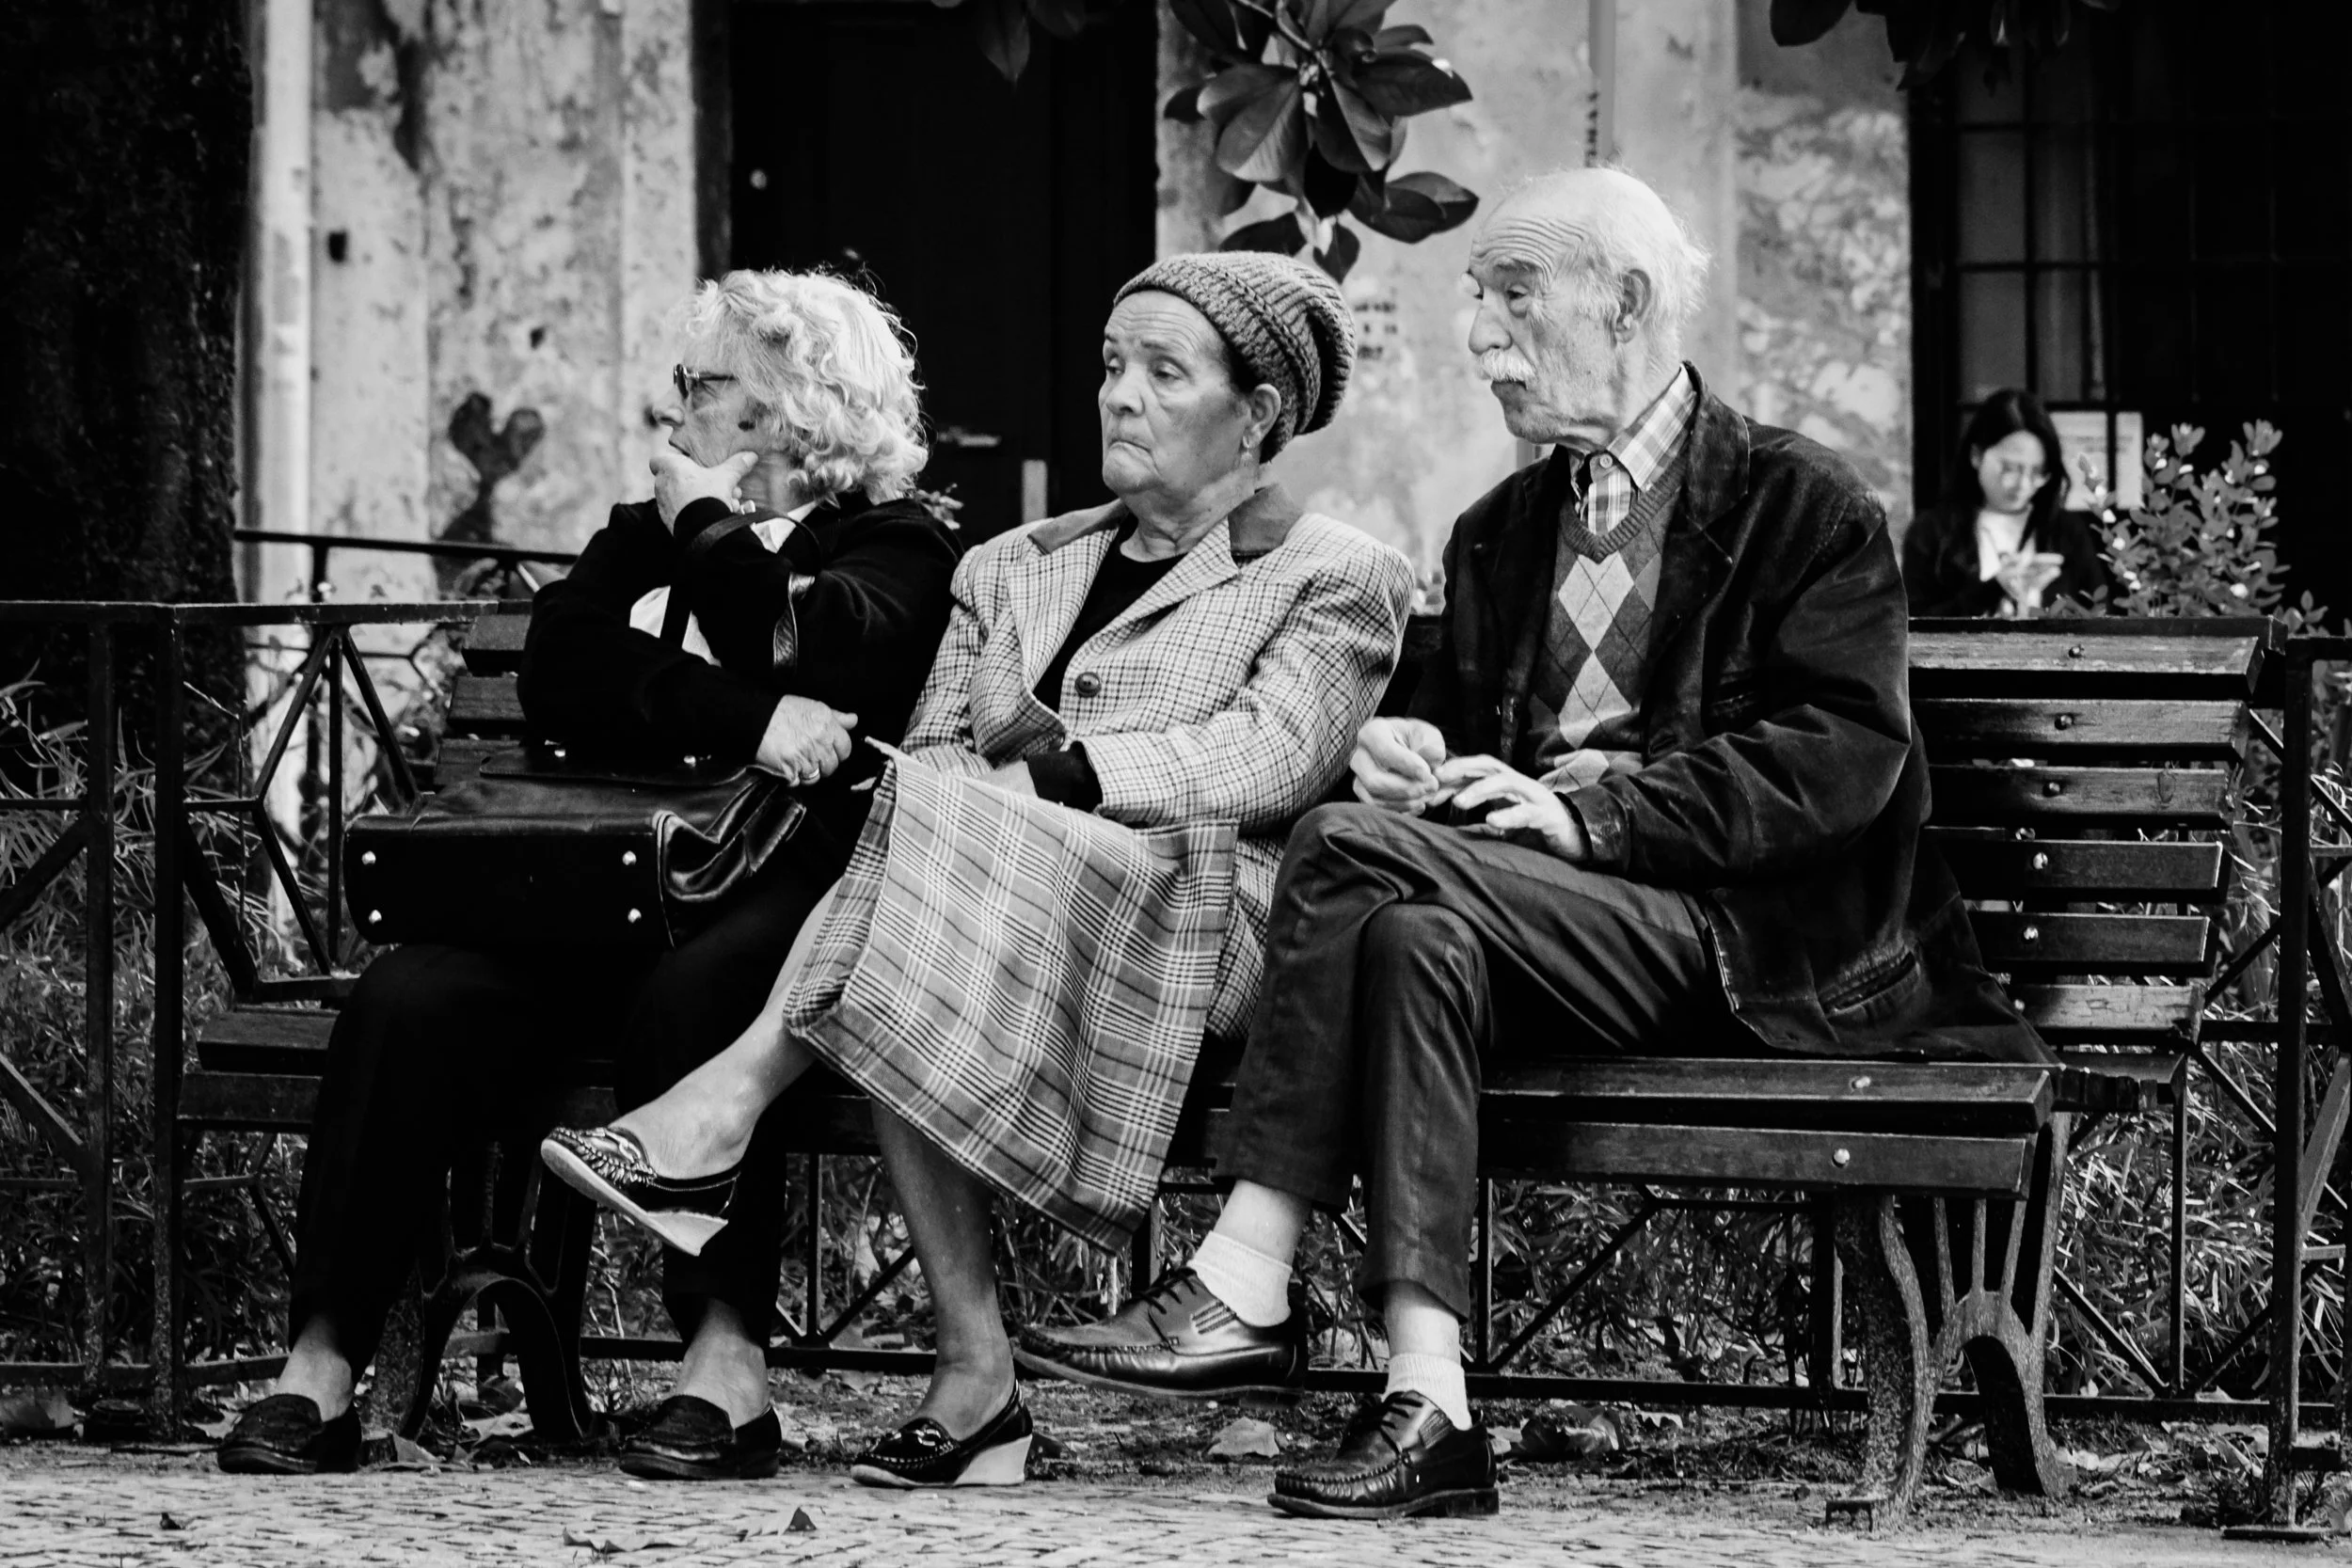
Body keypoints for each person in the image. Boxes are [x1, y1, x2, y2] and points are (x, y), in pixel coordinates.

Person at [1017, 168, 2048, 1523]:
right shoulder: (1500, 532)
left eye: (1511, 299)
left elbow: (1846, 756)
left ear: (1623, 304)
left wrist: (1598, 812)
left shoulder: (1809, 508)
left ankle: (1247, 1266)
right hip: (1551, 938)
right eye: (1477, 304)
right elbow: (1447, 732)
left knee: (1343, 855)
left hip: (1749, 945)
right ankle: (1431, 1399)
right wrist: (1403, 751)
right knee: (1410, 930)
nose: (1481, 337)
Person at [543, 251, 1415, 1489]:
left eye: (1165, 373)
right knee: (928, 864)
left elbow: (1265, 759)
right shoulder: (1009, 564)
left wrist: (1061, 777)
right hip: (985, 914)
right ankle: (976, 1382)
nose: (1120, 397)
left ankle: (723, 1110)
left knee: (930, 851)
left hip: (1199, 926)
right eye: (1114, 366)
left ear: (1261, 412)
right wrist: (994, 795)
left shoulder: (1339, 572)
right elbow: (940, 749)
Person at [215, 270, 961, 1481]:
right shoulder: (646, 525)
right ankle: (321, 1369)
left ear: (783, 407)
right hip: (593, 890)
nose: (673, 410)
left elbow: (824, 646)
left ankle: (725, 1367)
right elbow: (562, 663)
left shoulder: (899, 539)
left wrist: (712, 532)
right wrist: (743, 718)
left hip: (775, 897)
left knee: (697, 999)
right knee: (407, 996)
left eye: (705, 385)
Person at [1901, 388, 2112, 617]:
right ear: (1976, 456)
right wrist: (1992, 589)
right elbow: (1914, 626)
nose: (2022, 484)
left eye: (2037, 472)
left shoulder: (2066, 532)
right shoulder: (1930, 534)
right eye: (2009, 469)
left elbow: (2099, 615)